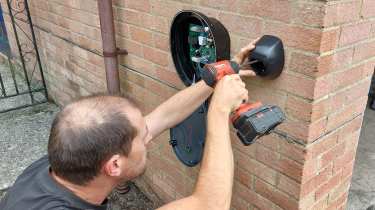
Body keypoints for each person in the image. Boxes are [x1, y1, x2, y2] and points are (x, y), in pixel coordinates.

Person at [0, 39, 259, 210]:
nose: (149, 133)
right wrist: (220, 110)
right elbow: (209, 205)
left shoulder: (60, 164)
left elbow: (163, 116)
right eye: (143, 136)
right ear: (114, 165)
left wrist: (221, 75)